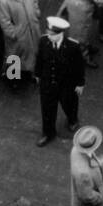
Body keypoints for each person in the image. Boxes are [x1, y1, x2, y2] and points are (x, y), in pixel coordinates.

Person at [35, 15, 85, 146]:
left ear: (60, 33)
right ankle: (48, 133)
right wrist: (37, 75)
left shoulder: (72, 47)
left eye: (52, 34)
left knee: (69, 104)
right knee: (47, 110)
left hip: (66, 85)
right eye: (48, 33)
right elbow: (39, 59)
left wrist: (80, 83)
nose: (49, 36)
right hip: (48, 83)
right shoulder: (43, 41)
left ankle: (72, 119)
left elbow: (79, 67)